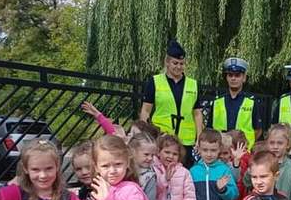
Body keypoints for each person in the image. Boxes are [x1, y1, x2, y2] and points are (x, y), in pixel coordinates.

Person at [139, 40, 203, 168]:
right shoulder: (154, 81)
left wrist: (199, 138)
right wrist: (147, 135)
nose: (178, 67)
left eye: (182, 64)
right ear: (167, 62)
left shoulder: (193, 84)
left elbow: (197, 113)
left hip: (186, 140)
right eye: (175, 63)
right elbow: (146, 110)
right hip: (162, 137)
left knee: (183, 176)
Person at [208, 57, 262, 148]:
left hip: (243, 152)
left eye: (237, 75)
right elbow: (210, 129)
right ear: (227, 78)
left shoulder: (251, 102)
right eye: (230, 75)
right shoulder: (217, 101)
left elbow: (258, 130)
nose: (233, 78)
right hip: (221, 151)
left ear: (244, 78)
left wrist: (247, 143)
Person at [81, 101, 160, 140]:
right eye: (130, 132)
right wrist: (97, 114)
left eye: (134, 135)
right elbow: (110, 129)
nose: (129, 135)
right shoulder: (126, 145)